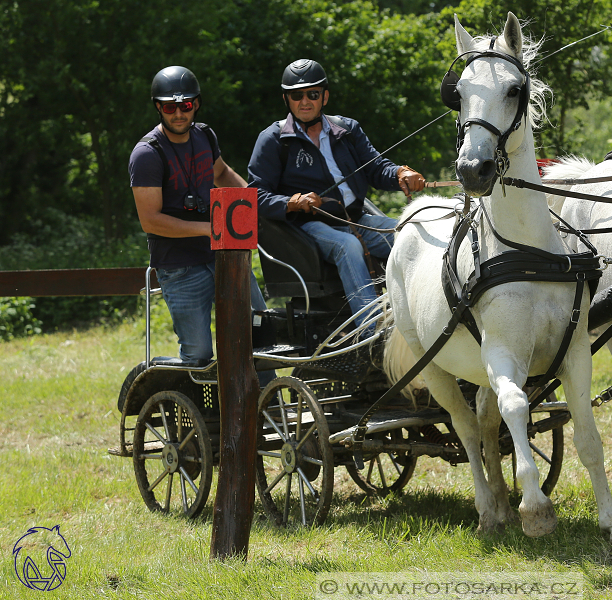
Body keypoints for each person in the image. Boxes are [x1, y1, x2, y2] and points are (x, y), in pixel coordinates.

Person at [247, 58, 425, 330]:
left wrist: (400, 173)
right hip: (307, 227)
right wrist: (292, 202)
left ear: (324, 97)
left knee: (410, 233)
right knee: (348, 246)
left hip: (356, 219)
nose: (304, 101)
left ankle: (424, 319)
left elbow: (376, 168)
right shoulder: (272, 140)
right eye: (296, 95)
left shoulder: (348, 130)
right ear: (287, 99)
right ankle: (372, 331)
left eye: (312, 94)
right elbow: (256, 195)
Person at [129, 65, 274, 385]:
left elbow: (221, 173)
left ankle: (272, 402)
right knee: (199, 355)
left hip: (224, 254)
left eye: (186, 105)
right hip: (179, 265)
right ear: (158, 107)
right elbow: (150, 220)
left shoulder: (204, 135)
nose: (179, 113)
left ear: (196, 104)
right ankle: (151, 378)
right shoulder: (147, 154)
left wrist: (251, 202)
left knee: (260, 332)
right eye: (170, 106)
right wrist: (208, 228)